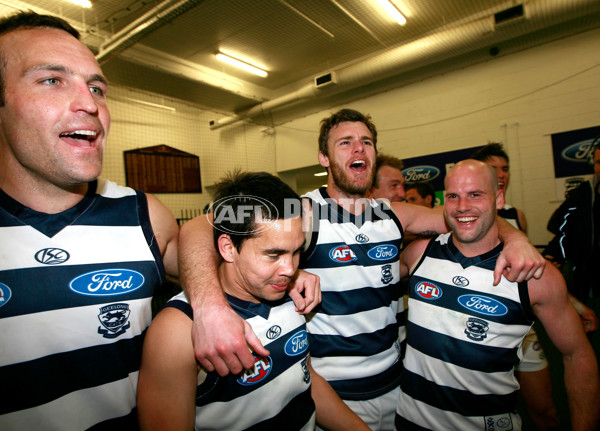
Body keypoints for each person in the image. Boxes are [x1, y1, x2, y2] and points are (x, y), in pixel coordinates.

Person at [178, 109, 545, 430]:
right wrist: (209, 308)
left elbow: (465, 217)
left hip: (396, 387)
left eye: (366, 142)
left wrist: (515, 239)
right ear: (323, 157)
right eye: (345, 143)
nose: (358, 149)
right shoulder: (297, 211)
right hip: (330, 391)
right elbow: (199, 227)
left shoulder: (393, 213)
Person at [0, 12, 179, 430]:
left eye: (96, 87)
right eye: (51, 80)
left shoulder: (141, 213)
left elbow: (206, 242)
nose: (90, 104)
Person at [137, 171, 370, 431]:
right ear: (228, 247)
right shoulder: (177, 330)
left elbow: (304, 379)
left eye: (295, 252)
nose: (290, 269)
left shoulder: (288, 293)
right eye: (274, 254)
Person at [395, 160, 600, 431]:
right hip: (410, 423)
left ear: (499, 198)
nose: (462, 206)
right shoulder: (419, 254)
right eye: (453, 196)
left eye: (475, 194)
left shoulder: (534, 274)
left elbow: (578, 355)